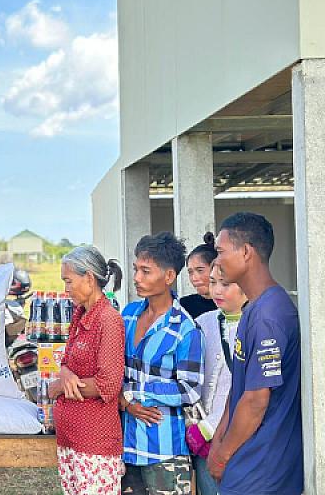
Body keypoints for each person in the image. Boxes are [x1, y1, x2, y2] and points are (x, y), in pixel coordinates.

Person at [209, 212, 302, 495]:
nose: (217, 261)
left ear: (246, 252)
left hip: (263, 471)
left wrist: (223, 454)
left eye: (221, 251)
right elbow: (239, 388)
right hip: (246, 462)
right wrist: (218, 442)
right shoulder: (254, 309)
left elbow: (256, 401)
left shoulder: (269, 315)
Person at [120, 232, 204, 495]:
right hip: (126, 445)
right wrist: (125, 404)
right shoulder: (128, 316)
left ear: (169, 277)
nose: (136, 278)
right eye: (136, 269)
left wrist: (135, 394)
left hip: (165, 452)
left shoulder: (186, 329)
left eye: (146, 271)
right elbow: (113, 370)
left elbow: (189, 389)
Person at [49, 246, 125, 495]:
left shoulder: (108, 320)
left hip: (94, 444)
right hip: (71, 440)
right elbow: (68, 364)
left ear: (89, 278)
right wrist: (65, 374)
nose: (66, 288)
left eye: (68, 281)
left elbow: (109, 384)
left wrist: (61, 385)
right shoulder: (81, 315)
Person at [185, 261, 247, 495]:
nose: (217, 290)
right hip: (203, 440)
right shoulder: (202, 323)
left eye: (225, 284)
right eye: (213, 283)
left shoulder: (254, 324)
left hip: (238, 437)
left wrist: (210, 427)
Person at [180, 233, 219, 319]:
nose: (194, 278)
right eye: (190, 272)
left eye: (200, 270)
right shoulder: (184, 306)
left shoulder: (231, 303)